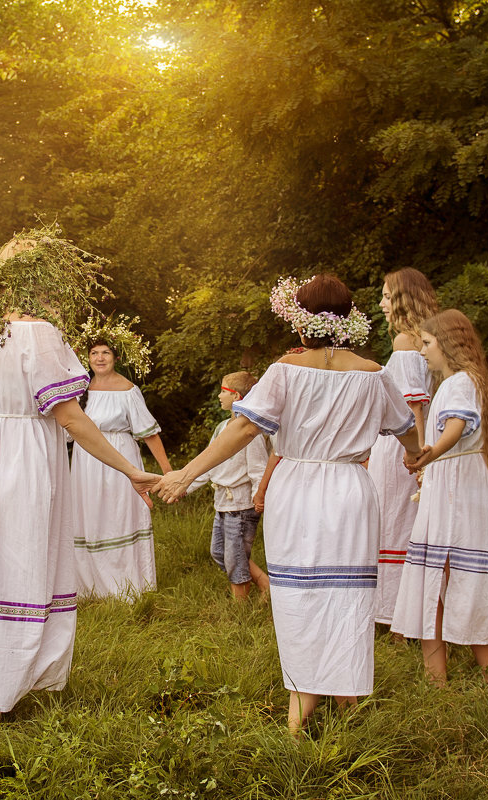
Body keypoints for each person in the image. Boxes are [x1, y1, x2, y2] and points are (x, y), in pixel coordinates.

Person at [0, 232, 160, 714]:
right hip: (28, 462)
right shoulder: (40, 334)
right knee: (21, 565)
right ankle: (4, 682)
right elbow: (71, 418)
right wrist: (128, 470)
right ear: (41, 278)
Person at [156, 274, 422, 735]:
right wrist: (416, 456)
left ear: (301, 323)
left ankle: (302, 704)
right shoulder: (376, 373)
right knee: (349, 595)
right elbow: (406, 430)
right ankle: (346, 696)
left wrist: (186, 473)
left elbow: (242, 430)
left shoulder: (285, 370)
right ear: (348, 318)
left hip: (297, 487)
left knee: (299, 594)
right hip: (351, 490)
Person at [391, 309, 488, 686]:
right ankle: (439, 678)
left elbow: (456, 426)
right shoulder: (466, 381)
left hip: (458, 493)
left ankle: (487, 677)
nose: (422, 352)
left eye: (427, 343)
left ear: (450, 344)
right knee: (441, 579)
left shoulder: (459, 383)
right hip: (456, 486)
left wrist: (430, 453)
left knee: (446, 578)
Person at [71, 338, 171, 599]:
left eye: (106, 353)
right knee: (89, 515)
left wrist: (168, 472)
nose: (100, 358)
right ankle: (88, 587)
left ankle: (126, 584)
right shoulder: (80, 388)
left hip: (120, 458)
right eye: (94, 353)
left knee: (118, 514)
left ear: (116, 358)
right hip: (86, 462)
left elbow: (149, 433)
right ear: (88, 358)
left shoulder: (128, 390)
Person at [368, 268, 439, 629]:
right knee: (403, 525)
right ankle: (409, 614)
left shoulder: (406, 344)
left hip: (401, 450)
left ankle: (396, 618)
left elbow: (414, 407)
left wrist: (418, 455)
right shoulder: (427, 339)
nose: (381, 303)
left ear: (402, 299)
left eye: (385, 295)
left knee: (395, 525)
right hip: (406, 445)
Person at [185, 371, 270, 601]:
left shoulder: (249, 432)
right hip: (222, 504)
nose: (220, 395)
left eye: (224, 391)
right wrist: (183, 487)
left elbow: (258, 470)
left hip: (241, 506)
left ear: (238, 396)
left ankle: (240, 609)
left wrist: (258, 497)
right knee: (220, 552)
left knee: (235, 557)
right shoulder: (223, 428)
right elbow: (209, 464)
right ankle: (265, 583)